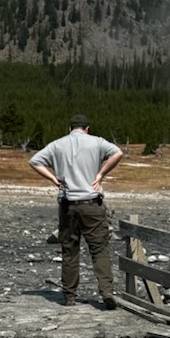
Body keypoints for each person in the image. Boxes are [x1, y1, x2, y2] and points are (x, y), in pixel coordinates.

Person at [29, 113, 123, 308]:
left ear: (70, 128)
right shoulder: (97, 142)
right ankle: (106, 291)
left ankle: (69, 296)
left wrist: (53, 179)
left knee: (70, 250)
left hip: (68, 203)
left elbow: (35, 161)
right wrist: (101, 174)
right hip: (91, 202)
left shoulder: (57, 144)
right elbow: (117, 153)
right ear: (87, 128)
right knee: (99, 250)